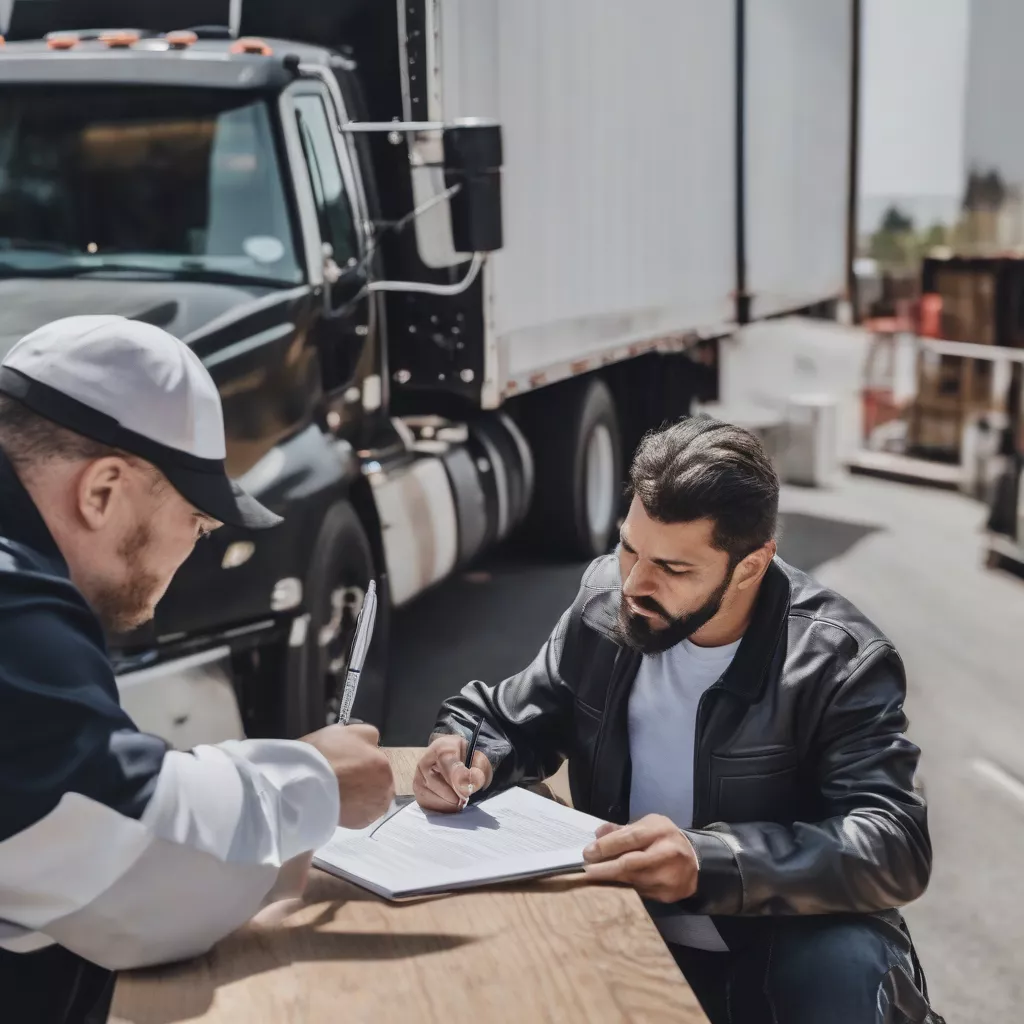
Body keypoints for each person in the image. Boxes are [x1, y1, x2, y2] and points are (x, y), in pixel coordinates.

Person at [415, 417, 945, 1024]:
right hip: (626, 931)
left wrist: (708, 861)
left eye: (673, 568)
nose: (636, 583)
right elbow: (515, 715)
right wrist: (466, 749)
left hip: (780, 960)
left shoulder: (839, 662)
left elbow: (894, 843)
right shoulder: (604, 604)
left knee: (843, 961)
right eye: (629, 547)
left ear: (751, 564)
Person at [0, 316, 395, 1024]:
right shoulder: (12, 612)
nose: (191, 556)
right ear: (101, 492)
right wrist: (315, 782)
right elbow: (131, 859)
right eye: (198, 524)